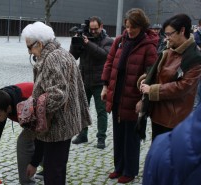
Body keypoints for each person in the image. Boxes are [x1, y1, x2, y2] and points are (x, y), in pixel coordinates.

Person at [21, 21, 92, 185]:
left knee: (53, 173)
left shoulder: (53, 57)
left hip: (58, 125)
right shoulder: (58, 53)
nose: (29, 52)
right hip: (61, 123)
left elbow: (57, 93)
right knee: (57, 169)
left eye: (30, 47)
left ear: (39, 43)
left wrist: (34, 106)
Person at [101, 8, 158, 183]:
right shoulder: (120, 41)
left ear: (141, 26)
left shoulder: (149, 46)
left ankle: (130, 170)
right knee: (118, 135)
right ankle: (118, 167)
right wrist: (105, 86)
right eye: (127, 26)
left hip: (134, 98)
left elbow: (151, 75)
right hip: (117, 95)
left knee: (131, 138)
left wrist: (143, 100)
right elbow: (109, 63)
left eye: (133, 27)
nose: (129, 30)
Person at [138, 14, 201, 141]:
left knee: (170, 157)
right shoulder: (169, 49)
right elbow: (158, 72)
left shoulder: (194, 57)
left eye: (169, 34)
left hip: (174, 118)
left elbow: (183, 87)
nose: (167, 38)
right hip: (158, 114)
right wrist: (146, 79)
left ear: (182, 31)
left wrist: (153, 90)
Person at [0, 82, 41, 185]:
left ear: (9, 109)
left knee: (24, 142)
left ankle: (28, 181)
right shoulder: (1, 101)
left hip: (47, 115)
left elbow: (40, 136)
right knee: (28, 143)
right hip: (32, 118)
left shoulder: (26, 104)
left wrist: (34, 164)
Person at [70, 16, 113, 149]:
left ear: (101, 26)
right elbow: (73, 56)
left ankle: (101, 138)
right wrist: (76, 42)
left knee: (101, 111)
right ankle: (83, 134)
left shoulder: (108, 41)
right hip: (84, 79)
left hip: (100, 82)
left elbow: (104, 55)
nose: (93, 31)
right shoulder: (84, 38)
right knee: (82, 109)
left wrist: (88, 44)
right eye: (91, 29)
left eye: (95, 29)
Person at [142, 103, 201, 185]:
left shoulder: (162, 149)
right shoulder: (161, 148)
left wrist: (153, 92)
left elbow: (180, 90)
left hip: (173, 117)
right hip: (160, 115)